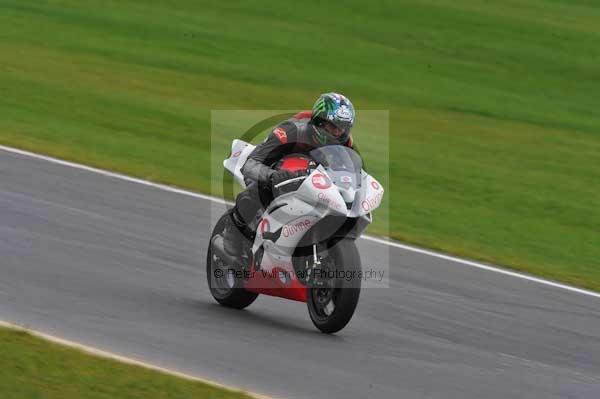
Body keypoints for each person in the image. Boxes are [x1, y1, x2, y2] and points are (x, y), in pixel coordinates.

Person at [223, 92, 356, 256]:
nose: (337, 133)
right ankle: (234, 227)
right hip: (272, 169)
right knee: (259, 191)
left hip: (311, 179)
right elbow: (250, 164)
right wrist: (272, 176)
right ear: (319, 122)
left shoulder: (346, 143)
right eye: (333, 127)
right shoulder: (291, 130)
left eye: (341, 129)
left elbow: (349, 171)